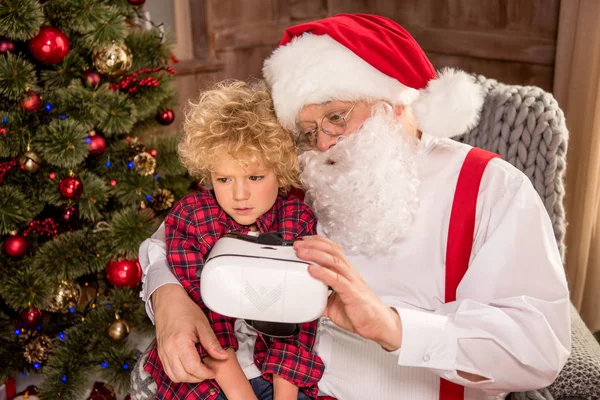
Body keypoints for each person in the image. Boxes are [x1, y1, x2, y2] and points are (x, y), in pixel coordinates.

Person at [138, 14, 571, 400]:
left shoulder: (489, 186)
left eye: (337, 117)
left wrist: (394, 328)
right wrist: (170, 298)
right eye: (307, 130)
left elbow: (539, 346)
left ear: (393, 104)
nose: (323, 143)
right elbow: (177, 233)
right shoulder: (303, 168)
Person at [142, 80, 324, 400]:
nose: (239, 195)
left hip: (279, 376)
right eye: (224, 179)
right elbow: (206, 315)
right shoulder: (192, 218)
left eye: (254, 177)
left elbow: (299, 323)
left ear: (279, 171)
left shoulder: (298, 220)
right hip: (210, 378)